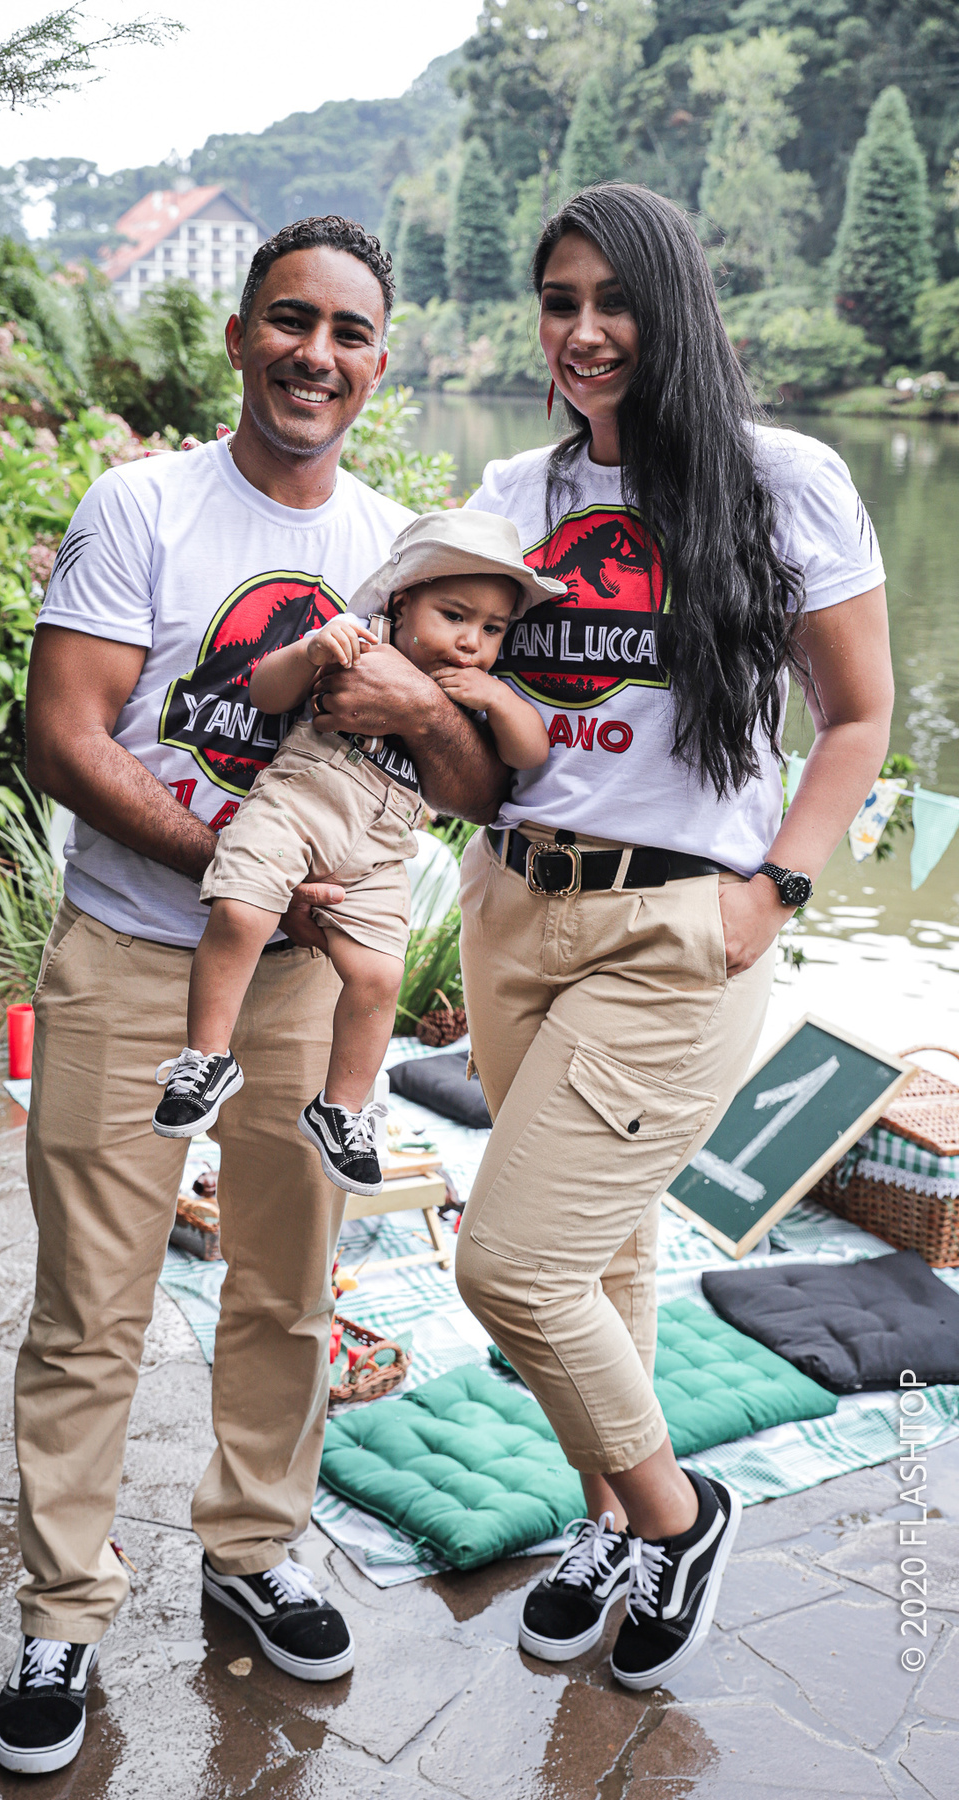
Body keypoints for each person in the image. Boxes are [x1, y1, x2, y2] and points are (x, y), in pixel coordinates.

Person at [0, 216, 507, 1776]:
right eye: (291, 321)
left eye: (350, 333)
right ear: (238, 335)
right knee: (91, 1304)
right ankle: (64, 1610)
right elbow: (64, 735)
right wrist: (235, 855)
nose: (317, 356)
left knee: (290, 1285)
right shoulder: (141, 505)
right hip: (132, 952)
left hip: (302, 989)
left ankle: (251, 1545)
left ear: (382, 361)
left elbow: (475, 780)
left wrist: (426, 700)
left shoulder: (410, 552)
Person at [452, 184, 893, 1692]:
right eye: (558, 301)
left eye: (611, 300)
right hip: (514, 900)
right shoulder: (514, 496)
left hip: (675, 923)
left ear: (675, 308)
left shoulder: (782, 480)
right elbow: (473, 728)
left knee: (509, 1266)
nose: (583, 333)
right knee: (600, 1247)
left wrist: (777, 888)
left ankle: (678, 1510)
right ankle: (607, 1522)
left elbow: (861, 715)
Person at [151, 510, 558, 1196]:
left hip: (381, 848)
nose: (471, 642)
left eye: (493, 630)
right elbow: (264, 692)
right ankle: (207, 1056)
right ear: (403, 603)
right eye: (454, 615)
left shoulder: (474, 693)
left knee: (377, 978)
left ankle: (340, 1107)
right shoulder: (358, 641)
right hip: (298, 806)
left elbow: (529, 755)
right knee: (242, 912)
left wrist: (494, 697)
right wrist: (313, 650)